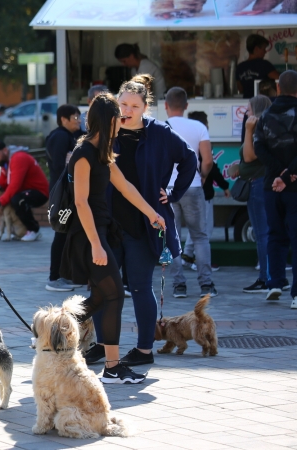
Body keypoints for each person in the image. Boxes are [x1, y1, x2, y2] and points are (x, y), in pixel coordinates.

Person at [83, 75, 197, 367]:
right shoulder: (107, 131)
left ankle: (144, 350)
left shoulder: (160, 133)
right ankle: (103, 345)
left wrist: (171, 193)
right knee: (102, 287)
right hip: (108, 222)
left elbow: (189, 160)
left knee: (139, 287)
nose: (127, 110)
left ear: (146, 107)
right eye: (123, 104)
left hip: (144, 223)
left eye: (134, 105)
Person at [60, 92, 166, 384]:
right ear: (108, 121)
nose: (123, 120)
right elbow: (81, 203)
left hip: (102, 232)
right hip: (87, 236)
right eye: (119, 116)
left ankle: (54, 331)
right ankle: (112, 367)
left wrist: (151, 214)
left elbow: (125, 187)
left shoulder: (102, 152)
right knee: (114, 295)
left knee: (98, 297)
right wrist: (96, 244)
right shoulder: (83, 154)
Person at [253, 70, 297, 309]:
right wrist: (289, 175)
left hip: (271, 187)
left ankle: (274, 283)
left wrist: (279, 174)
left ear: (277, 89)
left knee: (275, 236)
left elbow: (259, 149)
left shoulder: (265, 115)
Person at [163, 87, 218, 298]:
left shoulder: (160, 127)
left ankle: (179, 286)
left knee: (172, 237)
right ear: (186, 106)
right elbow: (208, 160)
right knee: (200, 236)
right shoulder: (198, 127)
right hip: (193, 186)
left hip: (167, 190)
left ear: (166, 105)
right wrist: (202, 175)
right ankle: (206, 284)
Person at [237, 95, 279, 293]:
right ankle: (276, 277)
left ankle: (266, 278)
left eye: (248, 109)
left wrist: (247, 130)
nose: (246, 112)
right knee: (272, 232)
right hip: (272, 183)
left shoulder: (256, 126)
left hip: (259, 185)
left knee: (262, 234)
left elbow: (249, 155)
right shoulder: (274, 125)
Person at [182, 111, 230, 273]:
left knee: (194, 227)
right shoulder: (203, 141)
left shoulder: (184, 140)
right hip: (203, 193)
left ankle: (187, 256)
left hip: (186, 190)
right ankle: (198, 260)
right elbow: (212, 167)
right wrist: (224, 185)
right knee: (204, 229)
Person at [46, 104, 84, 291]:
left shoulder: (72, 136)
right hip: (62, 197)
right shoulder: (59, 137)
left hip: (70, 194)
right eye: (75, 117)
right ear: (64, 119)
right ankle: (54, 278)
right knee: (61, 233)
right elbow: (60, 166)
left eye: (79, 117)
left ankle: (66, 275)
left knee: (69, 234)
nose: (78, 120)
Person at [0, 140, 50, 242]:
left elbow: (14, 185)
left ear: (4, 150)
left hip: (40, 192)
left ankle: (33, 230)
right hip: (24, 191)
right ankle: (15, 228)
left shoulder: (19, 158)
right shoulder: (6, 162)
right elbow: (1, 183)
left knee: (18, 199)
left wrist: (1, 202)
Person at [236, 34, 280, 99]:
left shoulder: (240, 67)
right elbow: (280, 80)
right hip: (263, 102)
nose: (265, 51)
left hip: (247, 103)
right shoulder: (264, 64)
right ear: (256, 49)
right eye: (264, 49)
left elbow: (240, 89)